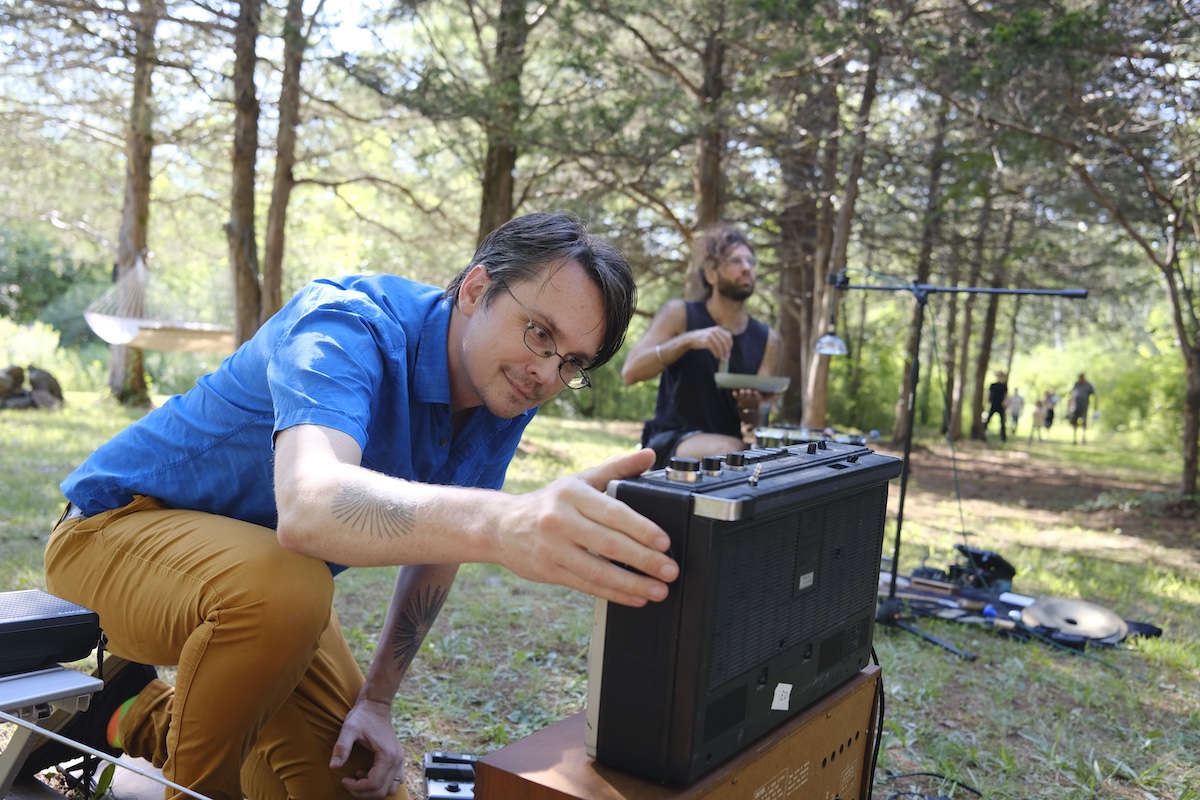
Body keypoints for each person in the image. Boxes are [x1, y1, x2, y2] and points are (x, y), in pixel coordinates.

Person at [29, 212, 680, 800]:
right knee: (288, 586)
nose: (547, 373)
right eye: (539, 333)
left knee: (356, 782)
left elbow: (442, 549)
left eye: (572, 363)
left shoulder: (503, 389)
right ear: (477, 289)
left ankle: (124, 709)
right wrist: (502, 523)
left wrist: (378, 701)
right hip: (111, 537)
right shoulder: (345, 323)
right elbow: (309, 508)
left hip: (263, 594)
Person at [621, 224, 783, 469]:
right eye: (735, 261)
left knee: (759, 457)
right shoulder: (680, 315)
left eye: (751, 262)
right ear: (711, 274)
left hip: (727, 447)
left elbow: (753, 423)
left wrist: (751, 407)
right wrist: (688, 340)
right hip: (671, 439)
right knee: (735, 452)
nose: (747, 268)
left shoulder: (768, 339)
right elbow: (631, 372)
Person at [1068, 372, 1098, 444]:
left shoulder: (1088, 385)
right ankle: (1074, 438)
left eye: (1082, 377)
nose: (1081, 379)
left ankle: (1083, 438)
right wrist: (1069, 405)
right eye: (1080, 377)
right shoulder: (1076, 384)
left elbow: (1095, 395)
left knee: (1084, 421)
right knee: (1074, 422)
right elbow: (1071, 395)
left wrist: (1096, 406)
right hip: (1075, 407)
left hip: (1084, 407)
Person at [984, 370, 1009, 443]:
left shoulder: (1004, 386)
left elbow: (1006, 396)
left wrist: (1005, 403)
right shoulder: (993, 385)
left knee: (1002, 422)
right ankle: (983, 432)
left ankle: (1003, 438)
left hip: (1001, 406)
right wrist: (987, 402)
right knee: (988, 419)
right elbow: (989, 395)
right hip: (993, 404)